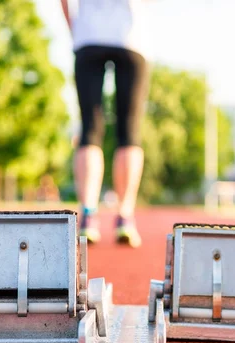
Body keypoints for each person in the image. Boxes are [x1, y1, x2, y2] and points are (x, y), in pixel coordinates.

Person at [60, 0, 151, 248]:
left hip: (89, 35)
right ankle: (125, 217)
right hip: (129, 37)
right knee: (129, 132)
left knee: (89, 130)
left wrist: (74, 27)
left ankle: (88, 216)